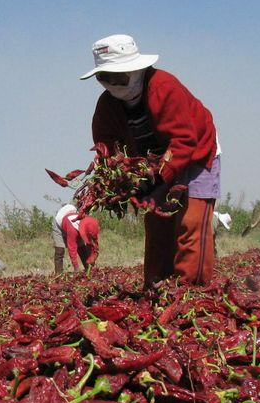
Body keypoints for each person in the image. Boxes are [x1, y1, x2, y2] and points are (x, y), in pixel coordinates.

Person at [82, 34, 221, 287]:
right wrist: (121, 183)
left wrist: (157, 178)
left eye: (118, 76)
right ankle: (158, 290)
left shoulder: (164, 87)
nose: (112, 83)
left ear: (136, 70)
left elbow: (184, 141)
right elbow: (107, 150)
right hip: (153, 166)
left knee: (191, 223)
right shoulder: (107, 106)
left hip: (197, 154)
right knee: (158, 223)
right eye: (105, 77)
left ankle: (192, 292)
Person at [52, 203, 100, 274]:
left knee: (82, 249)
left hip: (71, 217)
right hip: (59, 225)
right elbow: (72, 248)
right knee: (60, 251)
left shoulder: (89, 224)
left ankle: (89, 270)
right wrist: (76, 267)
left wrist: (92, 257)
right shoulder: (73, 229)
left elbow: (94, 245)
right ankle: (58, 274)